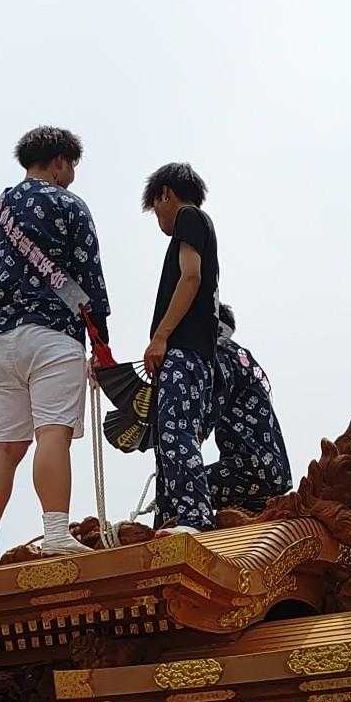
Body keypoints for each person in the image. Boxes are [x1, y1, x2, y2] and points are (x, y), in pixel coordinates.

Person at [0, 125, 111, 570]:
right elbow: (89, 278)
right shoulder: (69, 205)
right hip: (52, 334)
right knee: (53, 432)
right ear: (60, 162)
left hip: (1, 341)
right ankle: (55, 533)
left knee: (3, 445)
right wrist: (101, 341)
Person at [142, 163, 220, 534]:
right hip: (197, 357)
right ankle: (172, 518)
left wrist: (160, 337)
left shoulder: (189, 217)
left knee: (176, 433)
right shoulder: (201, 225)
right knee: (168, 438)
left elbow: (190, 277)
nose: (158, 217)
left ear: (165, 194)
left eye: (156, 207)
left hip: (184, 352)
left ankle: (195, 518)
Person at [208, 302, 292, 514]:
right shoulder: (243, 359)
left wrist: (190, 433)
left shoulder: (220, 353)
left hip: (249, 468)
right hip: (273, 472)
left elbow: (216, 396)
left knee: (182, 487)